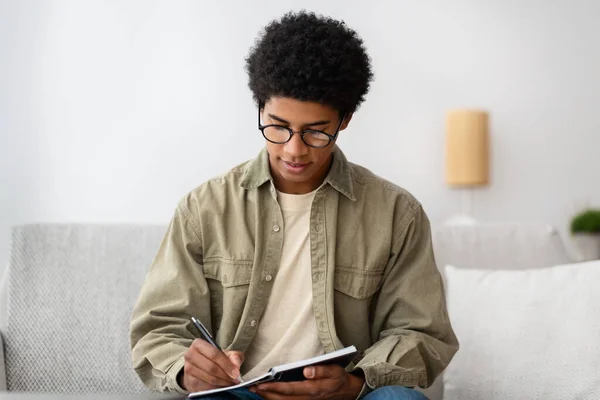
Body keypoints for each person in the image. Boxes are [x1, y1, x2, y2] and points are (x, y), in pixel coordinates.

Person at [130, 10, 458, 400]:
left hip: (347, 394)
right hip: (238, 394)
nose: (294, 149)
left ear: (345, 121)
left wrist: (353, 384)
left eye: (316, 132)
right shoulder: (204, 208)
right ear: (260, 109)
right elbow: (158, 328)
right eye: (278, 126)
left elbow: (421, 331)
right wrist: (188, 369)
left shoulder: (397, 213)